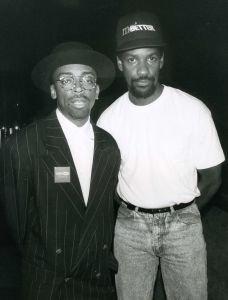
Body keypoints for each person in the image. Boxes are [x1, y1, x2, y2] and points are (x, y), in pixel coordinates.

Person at [97, 11, 225, 300]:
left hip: (183, 227)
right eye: (132, 59)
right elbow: (107, 182)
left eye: (150, 58)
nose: (142, 70)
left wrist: (184, 215)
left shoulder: (193, 110)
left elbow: (213, 177)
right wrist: (134, 208)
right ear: (120, 64)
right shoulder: (108, 120)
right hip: (129, 230)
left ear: (161, 61)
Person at [0, 42, 120, 300]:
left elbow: (103, 217)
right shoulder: (23, 146)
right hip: (49, 284)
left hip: (98, 282)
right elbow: (17, 224)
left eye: (88, 80)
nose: (78, 87)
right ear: (53, 91)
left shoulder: (109, 145)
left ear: (97, 90)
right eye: (66, 80)